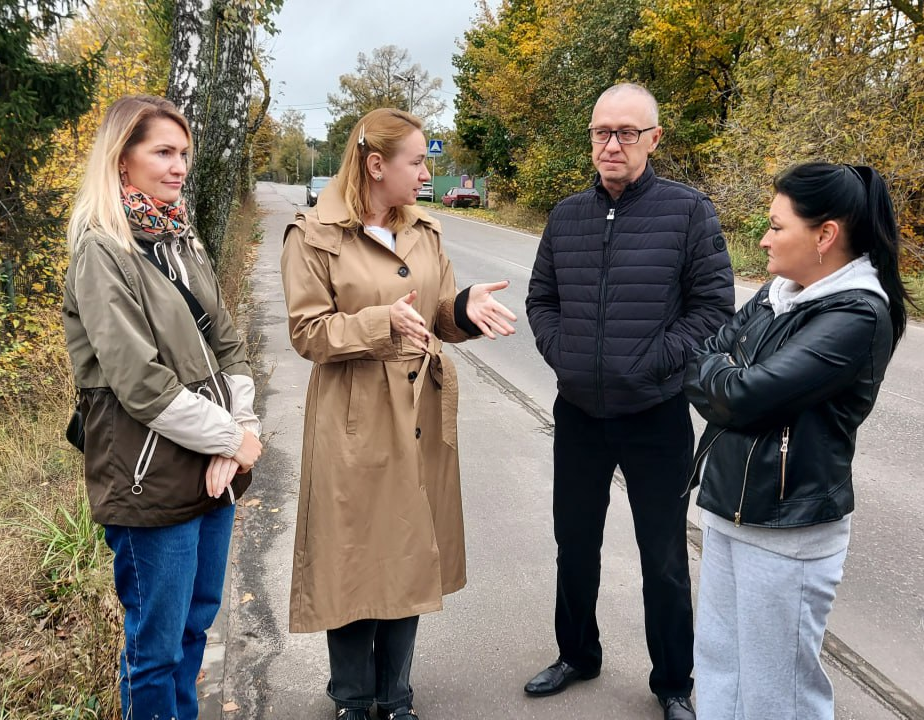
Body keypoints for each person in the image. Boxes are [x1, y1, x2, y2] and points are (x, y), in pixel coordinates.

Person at [280, 107, 516, 720]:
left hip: (420, 410)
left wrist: (463, 310)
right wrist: (380, 323)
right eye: (417, 161)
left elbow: (435, 314)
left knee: (412, 548)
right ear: (376, 164)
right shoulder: (313, 234)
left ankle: (397, 696)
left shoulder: (426, 231)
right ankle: (354, 700)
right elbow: (307, 333)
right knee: (354, 553)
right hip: (353, 415)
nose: (426, 173)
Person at [525, 83, 734, 720]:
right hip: (580, 414)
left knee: (664, 556)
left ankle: (673, 681)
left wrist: (652, 362)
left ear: (654, 139)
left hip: (656, 414)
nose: (611, 144)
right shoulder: (566, 217)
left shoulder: (689, 212)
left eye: (626, 133)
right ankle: (577, 654)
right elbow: (541, 301)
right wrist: (565, 353)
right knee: (575, 543)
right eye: (601, 133)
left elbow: (712, 311)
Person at [682, 162, 910, 720]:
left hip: (790, 527)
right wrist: (727, 375)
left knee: (776, 688)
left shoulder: (856, 313)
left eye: (777, 226)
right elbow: (701, 358)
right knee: (719, 661)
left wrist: (728, 376)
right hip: (728, 505)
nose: (763, 238)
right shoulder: (779, 293)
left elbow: (738, 397)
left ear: (824, 235)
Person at [62, 95, 263, 720]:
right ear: (123, 159)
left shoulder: (180, 238)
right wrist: (231, 439)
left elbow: (228, 342)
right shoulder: (102, 250)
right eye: (164, 152)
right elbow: (139, 384)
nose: (179, 167)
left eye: (184, 155)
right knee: (155, 649)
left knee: (193, 633)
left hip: (211, 464)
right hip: (147, 474)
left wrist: (243, 431)